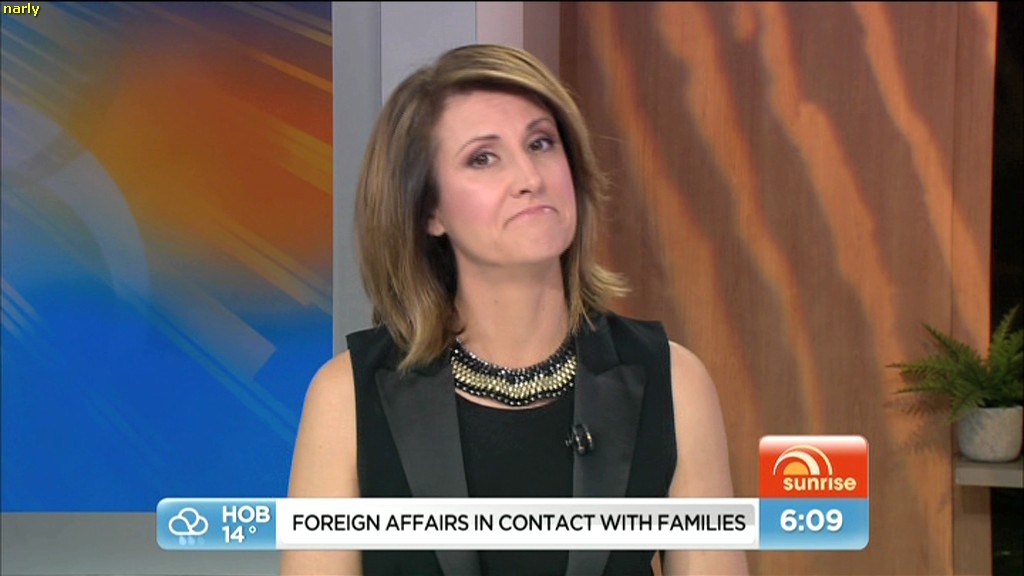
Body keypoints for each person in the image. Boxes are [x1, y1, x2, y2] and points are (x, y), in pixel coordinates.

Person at [280, 43, 747, 576]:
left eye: (541, 143)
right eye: (483, 158)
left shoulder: (673, 382)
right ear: (430, 211)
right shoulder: (346, 398)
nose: (530, 177)